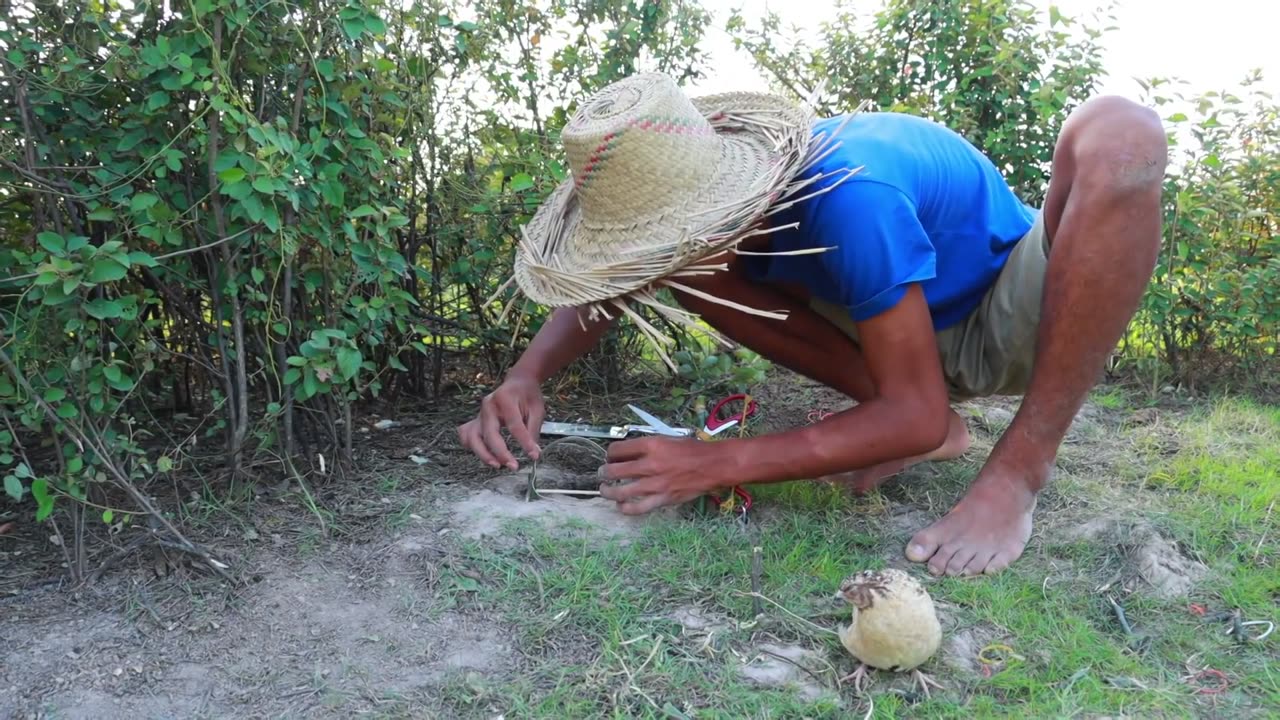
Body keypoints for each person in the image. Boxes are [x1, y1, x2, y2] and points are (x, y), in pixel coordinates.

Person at [458, 72, 1167, 577]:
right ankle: (926, 420)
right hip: (895, 341)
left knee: (1122, 132)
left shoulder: (852, 195)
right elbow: (631, 273)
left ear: (722, 201)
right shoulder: (713, 233)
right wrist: (527, 375)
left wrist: (716, 464)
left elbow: (909, 413)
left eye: (657, 242)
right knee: (698, 275)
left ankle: (1017, 471)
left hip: (1010, 320)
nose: (644, 264)